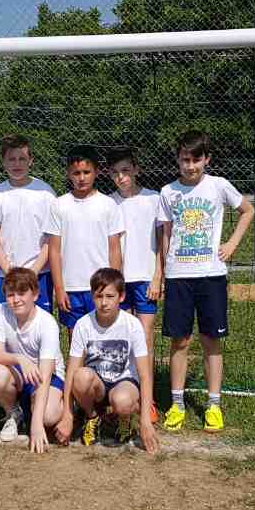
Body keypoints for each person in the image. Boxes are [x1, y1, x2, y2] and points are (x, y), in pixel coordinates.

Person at [157, 130, 254, 434]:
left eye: (196, 160)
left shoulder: (219, 185)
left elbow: (247, 210)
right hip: (179, 276)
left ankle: (213, 405)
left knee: (211, 339)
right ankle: (177, 404)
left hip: (211, 275)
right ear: (177, 160)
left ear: (206, 159)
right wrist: (163, 271)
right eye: (185, 160)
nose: (190, 166)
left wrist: (232, 244)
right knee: (180, 341)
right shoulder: (168, 192)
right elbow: (166, 234)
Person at [57, 268, 159, 453]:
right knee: (80, 377)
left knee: (122, 400)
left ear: (121, 297)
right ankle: (92, 416)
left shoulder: (132, 324)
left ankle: (125, 418)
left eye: (110, 296)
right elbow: (71, 371)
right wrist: (67, 416)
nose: (104, 303)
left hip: (124, 382)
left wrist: (145, 421)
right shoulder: (83, 324)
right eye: (99, 296)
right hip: (97, 384)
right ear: (92, 296)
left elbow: (145, 375)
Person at [0, 267, 66, 452]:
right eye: (10, 294)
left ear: (35, 295)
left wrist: (37, 424)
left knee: (48, 417)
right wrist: (20, 359)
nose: (16, 300)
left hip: (46, 375)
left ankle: (50, 408)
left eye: (22, 293)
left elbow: (45, 375)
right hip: (19, 371)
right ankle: (13, 413)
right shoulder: (0, 311)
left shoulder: (47, 323)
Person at [45, 145, 124, 333]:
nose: (81, 178)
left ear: (97, 171)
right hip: (71, 287)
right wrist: (59, 289)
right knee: (76, 339)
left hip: (101, 287)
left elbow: (114, 249)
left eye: (86, 172)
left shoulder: (108, 205)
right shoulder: (59, 205)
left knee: (104, 337)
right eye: (76, 173)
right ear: (68, 174)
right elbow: (54, 251)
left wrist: (113, 286)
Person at [0, 135, 56, 313]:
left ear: (30, 160)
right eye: (11, 159)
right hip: (6, 274)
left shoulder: (46, 193)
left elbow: (51, 238)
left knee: (39, 321)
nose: (17, 164)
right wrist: (8, 270)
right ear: (3, 162)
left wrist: (34, 270)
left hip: (39, 274)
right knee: (7, 324)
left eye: (22, 159)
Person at [107, 147, 162, 363]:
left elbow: (162, 242)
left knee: (145, 335)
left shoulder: (153, 199)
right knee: (123, 334)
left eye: (125, 171)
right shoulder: (108, 202)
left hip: (146, 278)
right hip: (119, 279)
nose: (120, 177)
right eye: (115, 172)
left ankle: (147, 383)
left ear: (136, 170)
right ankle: (127, 380)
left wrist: (158, 276)